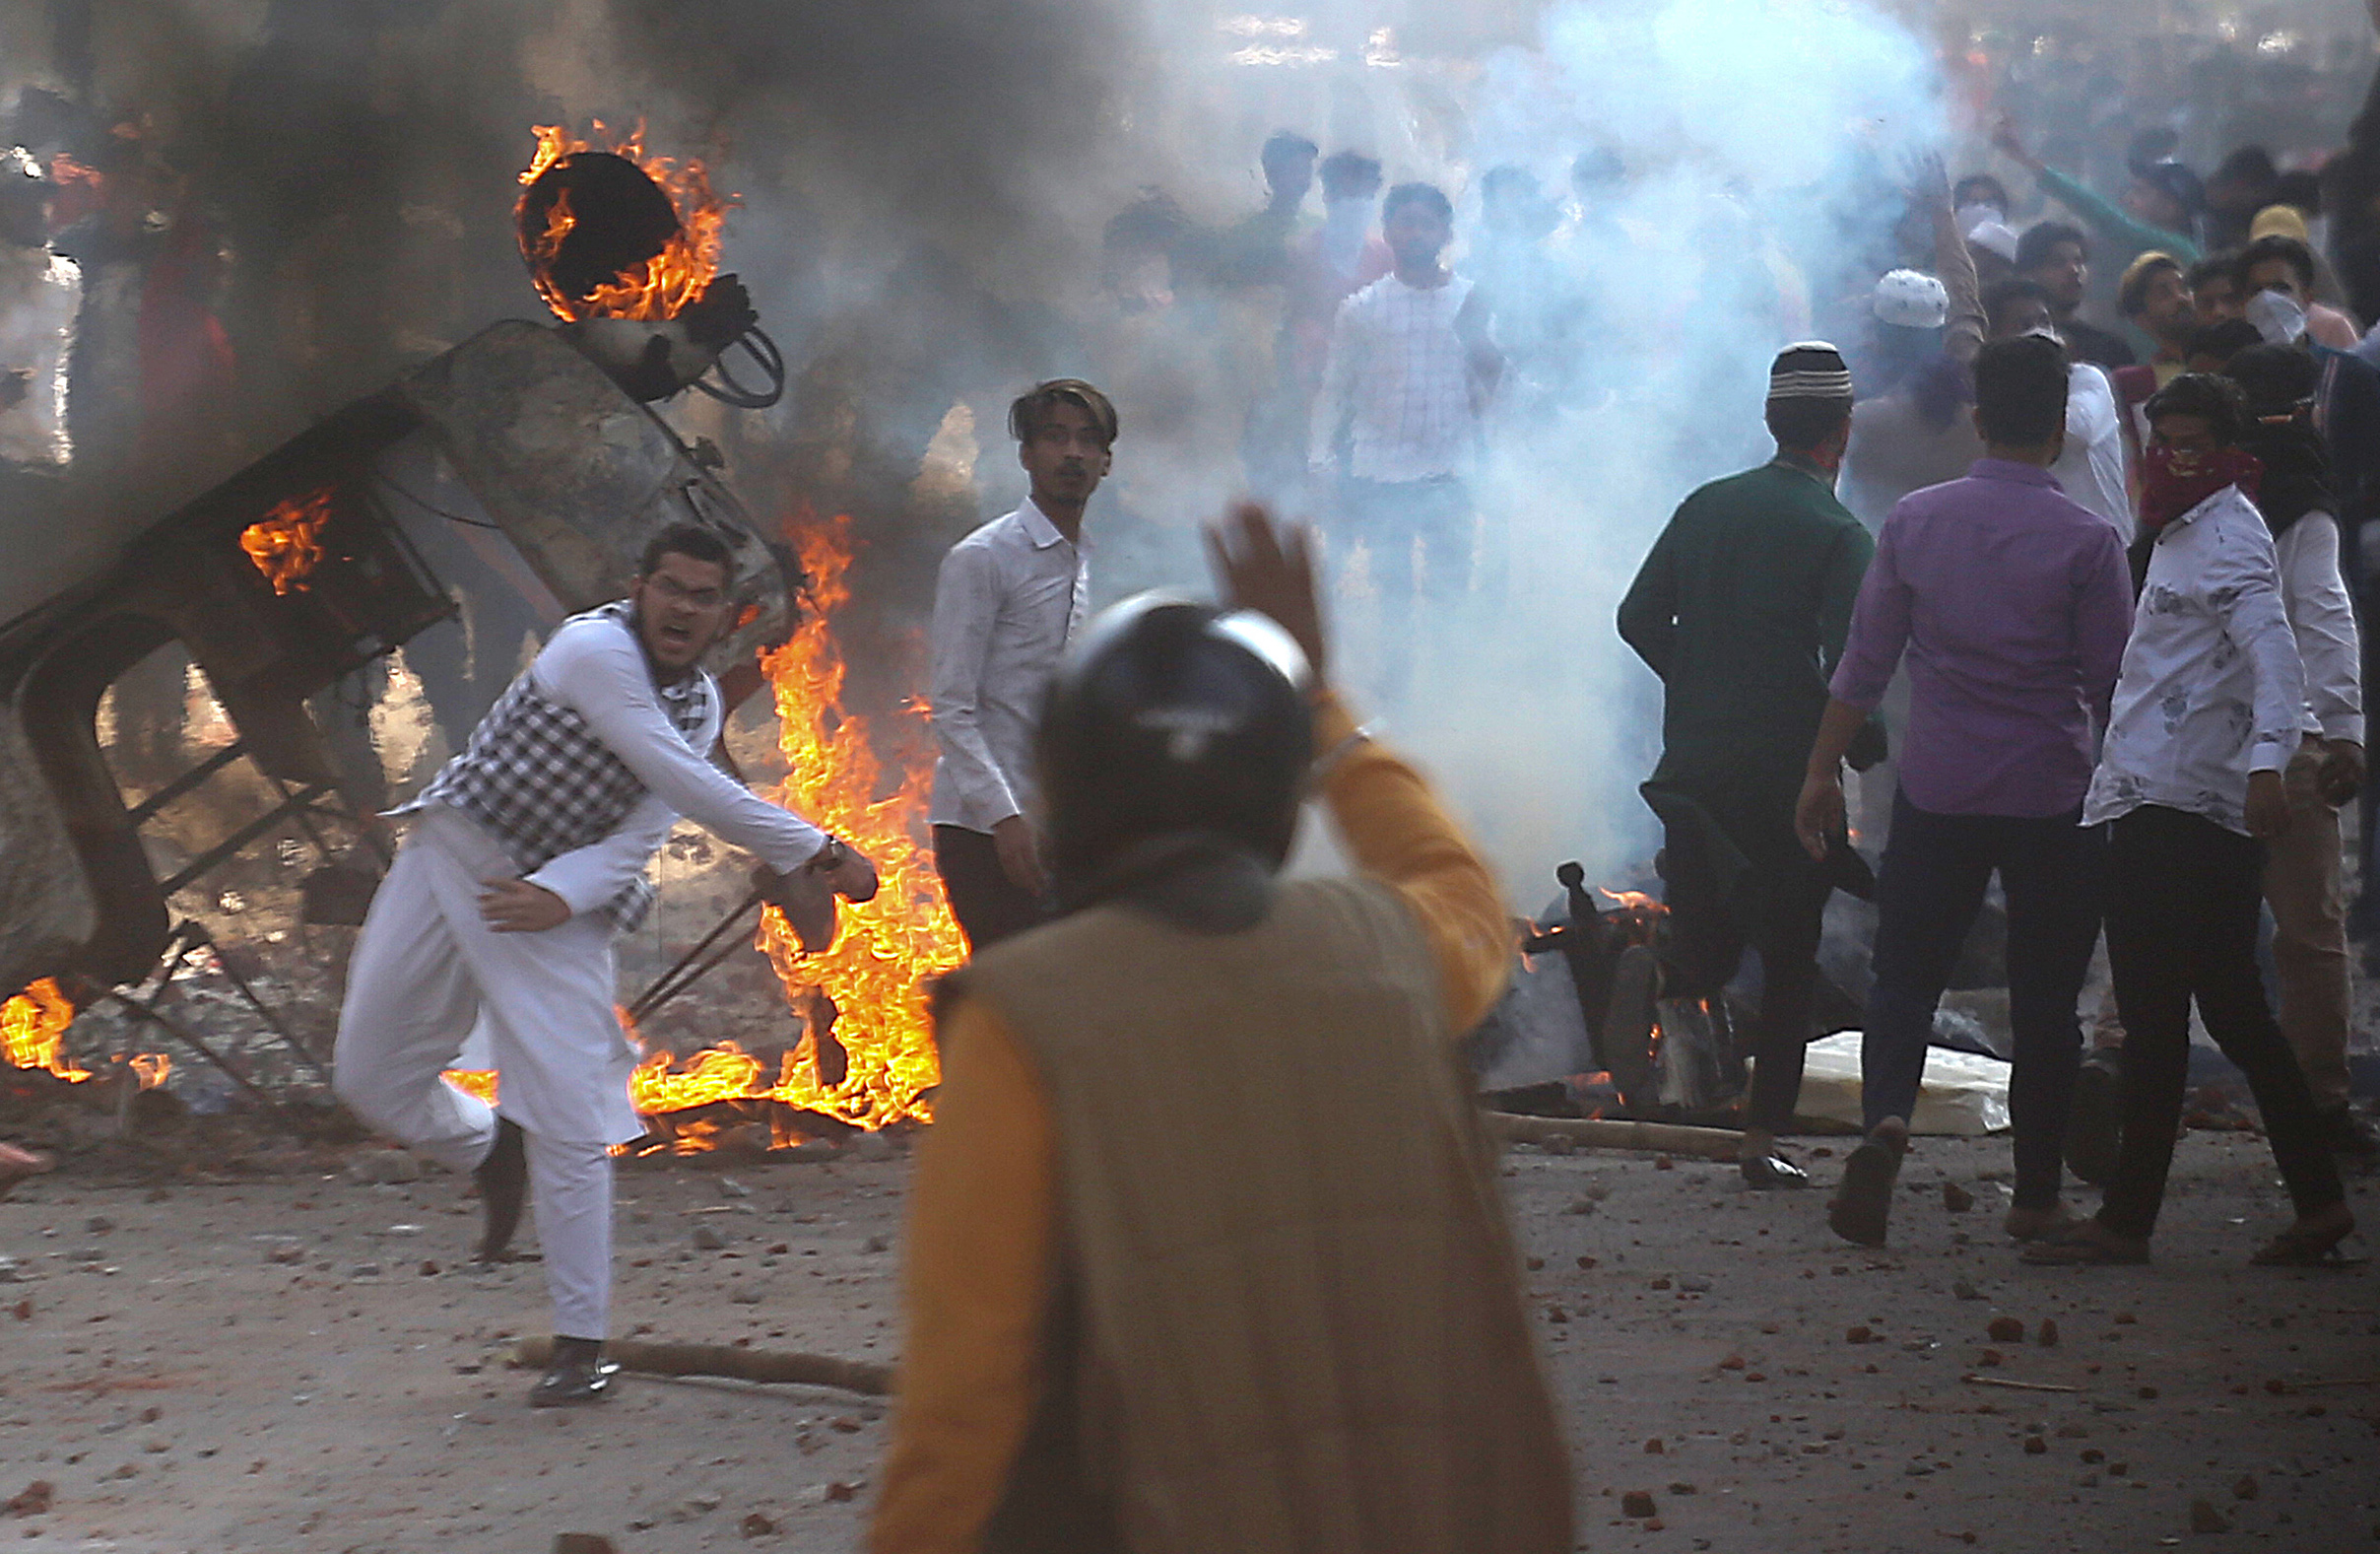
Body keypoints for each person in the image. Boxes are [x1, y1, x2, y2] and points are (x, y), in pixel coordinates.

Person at [869, 505, 1573, 1554]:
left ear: (1071, 789)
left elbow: (964, 1405)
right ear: (1275, 791)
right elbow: (1462, 890)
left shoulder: (1023, 1016)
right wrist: (1321, 703)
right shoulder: (1388, 957)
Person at [333, 523, 878, 1405]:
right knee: (369, 1074)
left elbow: (641, 832)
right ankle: (487, 1147)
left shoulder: (698, 705)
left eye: (704, 597)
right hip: (453, 854)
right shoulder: (594, 648)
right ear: (640, 587)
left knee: (573, 1108)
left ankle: (581, 1344)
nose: (683, 608)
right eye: (671, 587)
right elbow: (687, 781)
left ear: (723, 615)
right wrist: (820, 848)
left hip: (553, 907)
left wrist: (559, 893)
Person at [1801, 335, 2132, 1250]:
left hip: (1938, 787)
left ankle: (1887, 1125)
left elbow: (1863, 666)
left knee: (1903, 978)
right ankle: (2033, 1197)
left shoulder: (1916, 521)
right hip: (2052, 795)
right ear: (2061, 428)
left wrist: (1820, 770)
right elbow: (2113, 689)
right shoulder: (2089, 540)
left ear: (1980, 420)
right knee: (2045, 1000)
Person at [2024, 374, 2354, 1268]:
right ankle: (2316, 1202)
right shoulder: (2176, 529)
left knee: (2162, 1013)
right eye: (2167, 439)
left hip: (2182, 804)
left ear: (2229, 444)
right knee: (2234, 1013)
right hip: (2158, 792)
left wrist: (2265, 768)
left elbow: (2278, 655)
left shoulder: (2230, 533)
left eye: (2196, 440)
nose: (2178, 453)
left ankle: (2128, 1221)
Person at [1617, 344, 1875, 1188]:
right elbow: (1855, 670)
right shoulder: (1839, 533)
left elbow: (1638, 616)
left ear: (1771, 422)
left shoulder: (1705, 505)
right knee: (1791, 953)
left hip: (1693, 763)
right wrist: (1852, 748)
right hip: (1785, 772)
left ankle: (1661, 991)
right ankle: (1762, 1139)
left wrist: (1701, 680)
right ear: (1843, 429)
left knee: (1709, 939)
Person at [2226, 344, 2376, 1157]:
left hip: (2202, 740)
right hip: (2290, 743)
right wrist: (2345, 730)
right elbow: (2322, 614)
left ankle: (2120, 1058)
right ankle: (2318, 1103)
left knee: (2176, 921)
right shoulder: (2303, 500)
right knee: (2311, 928)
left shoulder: (2198, 495)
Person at [929, 379, 1114, 951]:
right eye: (1055, 439)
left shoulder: (1080, 561)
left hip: (1048, 824)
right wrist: (1004, 820)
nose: (1073, 454)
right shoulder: (983, 558)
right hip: (981, 829)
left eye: (1088, 441)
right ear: (1027, 456)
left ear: (1106, 462)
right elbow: (951, 708)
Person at [1309, 181, 1499, 708]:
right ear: (1387, 231)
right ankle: (1395, 697)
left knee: (1448, 589)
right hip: (1382, 468)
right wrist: (1320, 456)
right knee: (1391, 590)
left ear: (1446, 233)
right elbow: (1336, 386)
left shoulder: (1470, 300)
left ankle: (1448, 694)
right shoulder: (1362, 309)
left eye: (1427, 223)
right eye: (1405, 223)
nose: (1415, 233)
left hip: (1450, 468)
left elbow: (1491, 379)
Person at [1984, 278, 2132, 536]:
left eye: (2044, 322)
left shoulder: (2085, 379)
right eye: (2025, 325)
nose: (2040, 333)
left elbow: (2074, 433)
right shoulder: (1990, 396)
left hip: (2106, 550)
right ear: (1993, 338)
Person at [1994, 117, 2206, 271]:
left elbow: (2105, 217)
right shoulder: (2150, 249)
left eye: (2141, 192)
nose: (2128, 199)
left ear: (2169, 208)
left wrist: (2025, 160)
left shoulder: (2177, 249)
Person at [2013, 220, 2136, 370]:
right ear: (2027, 274)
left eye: (2079, 261)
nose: (2074, 270)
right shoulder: (2013, 343)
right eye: (2058, 262)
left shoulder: (2112, 349)